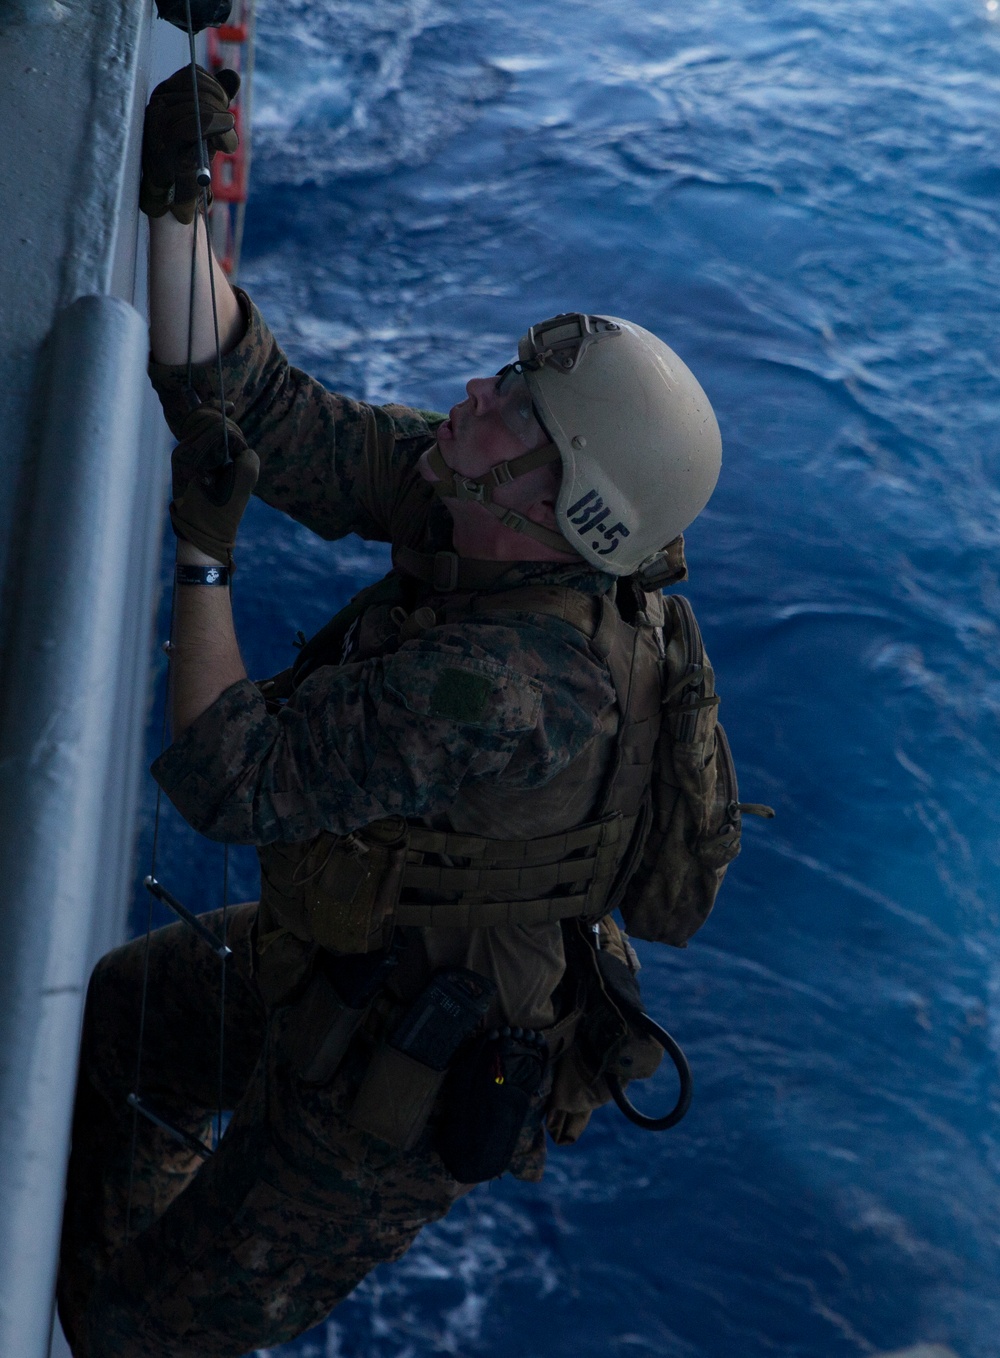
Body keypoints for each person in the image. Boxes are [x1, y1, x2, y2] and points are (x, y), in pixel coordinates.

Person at [56, 66, 725, 1358]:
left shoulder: (517, 686)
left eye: (512, 415)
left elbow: (224, 773)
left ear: (563, 509)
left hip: (393, 1093)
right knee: (130, 1023)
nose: (474, 401)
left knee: (137, 1334)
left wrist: (206, 561)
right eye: (500, 380)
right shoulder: (504, 513)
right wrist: (177, 208)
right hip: (351, 958)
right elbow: (282, 422)